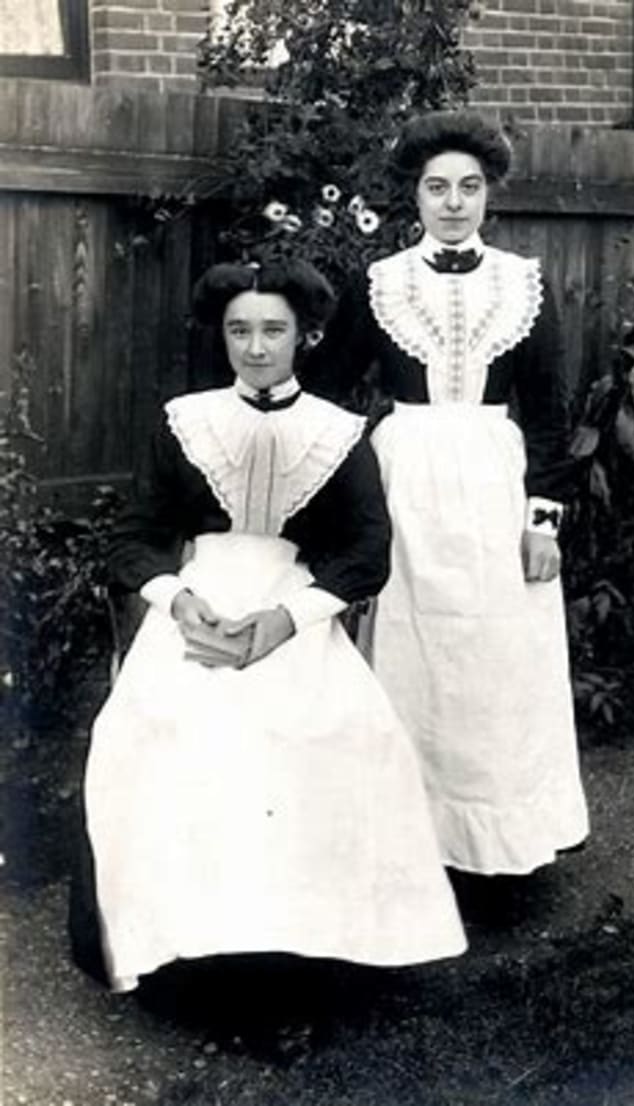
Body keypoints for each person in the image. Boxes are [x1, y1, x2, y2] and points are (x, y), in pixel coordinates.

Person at [78, 258, 466, 994]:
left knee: (330, 734)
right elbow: (134, 537)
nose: (256, 348)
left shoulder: (338, 432)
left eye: (273, 331)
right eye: (239, 331)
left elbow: (366, 552)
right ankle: (186, 949)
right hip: (199, 603)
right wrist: (176, 599)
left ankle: (296, 957)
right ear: (222, 336)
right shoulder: (185, 421)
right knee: (157, 730)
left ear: (305, 336)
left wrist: (291, 619)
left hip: (293, 608)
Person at [303, 110, 589, 878]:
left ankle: (501, 840)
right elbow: (327, 393)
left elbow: (551, 413)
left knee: (497, 654)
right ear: (416, 196)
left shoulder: (523, 285)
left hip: (495, 482)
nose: (454, 202)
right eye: (438, 188)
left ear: (488, 194)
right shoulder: (382, 284)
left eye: (469, 187)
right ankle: (412, 842)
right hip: (405, 481)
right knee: (411, 647)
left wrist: (542, 522)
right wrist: (335, 500)